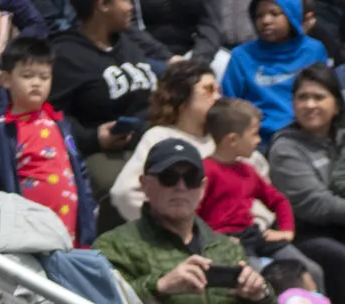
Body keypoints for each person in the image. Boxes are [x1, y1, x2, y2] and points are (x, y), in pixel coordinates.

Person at [98, 138, 280, 304]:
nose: (181, 187)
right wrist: (159, 286)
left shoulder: (227, 248)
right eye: (169, 177)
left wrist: (260, 296)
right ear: (144, 184)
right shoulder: (114, 244)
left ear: (203, 187)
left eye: (191, 178)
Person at [267, 66, 345, 304]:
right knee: (343, 259)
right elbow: (316, 204)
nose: (310, 104)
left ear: (336, 103)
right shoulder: (285, 148)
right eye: (302, 97)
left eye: (319, 97)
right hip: (307, 234)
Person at [0, 37, 94, 247]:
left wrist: (89, 211)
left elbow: (80, 171)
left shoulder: (61, 125)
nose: (36, 82)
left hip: (71, 231)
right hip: (26, 234)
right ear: (7, 79)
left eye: (44, 76)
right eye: (27, 76)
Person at [50, 0, 167, 172]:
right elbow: (52, 115)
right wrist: (93, 138)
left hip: (152, 138)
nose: (131, 7)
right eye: (126, 1)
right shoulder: (65, 55)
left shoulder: (127, 44)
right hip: (104, 152)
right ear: (103, 4)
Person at [109, 57, 217, 224]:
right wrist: (165, 229)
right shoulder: (159, 137)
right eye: (208, 90)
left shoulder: (224, 139)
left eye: (219, 90)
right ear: (182, 95)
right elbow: (124, 193)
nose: (217, 97)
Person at [201, 98, 297, 255]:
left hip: (252, 235)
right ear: (232, 139)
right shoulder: (205, 171)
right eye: (254, 134)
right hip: (221, 242)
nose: (258, 140)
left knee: (309, 268)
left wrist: (286, 230)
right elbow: (192, 214)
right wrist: (212, 240)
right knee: (255, 274)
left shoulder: (248, 171)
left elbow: (278, 200)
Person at [219, 0, 329, 136]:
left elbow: (326, 94)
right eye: (259, 16)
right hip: (258, 139)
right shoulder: (241, 56)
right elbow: (229, 103)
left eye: (274, 13)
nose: (265, 21)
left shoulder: (313, 50)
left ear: (292, 14)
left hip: (307, 133)